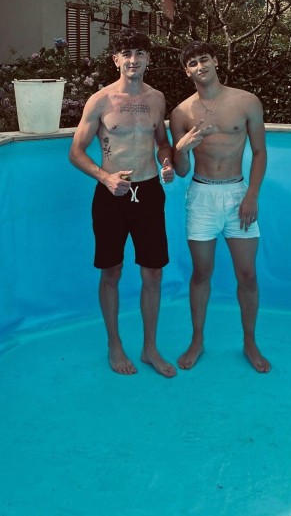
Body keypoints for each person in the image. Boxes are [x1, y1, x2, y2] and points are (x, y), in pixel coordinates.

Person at [69, 29, 176, 378]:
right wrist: (105, 177)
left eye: (140, 53)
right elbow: (76, 152)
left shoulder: (157, 99)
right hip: (111, 195)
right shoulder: (100, 100)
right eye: (126, 53)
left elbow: (162, 142)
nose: (133, 59)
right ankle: (114, 344)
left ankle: (150, 348)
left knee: (153, 272)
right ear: (116, 60)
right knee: (111, 271)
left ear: (148, 59)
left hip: (148, 192)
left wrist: (166, 161)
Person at [170, 40, 270, 373]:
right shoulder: (181, 113)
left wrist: (251, 195)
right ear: (187, 72)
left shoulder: (246, 101)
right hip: (201, 196)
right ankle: (197, 340)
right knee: (201, 273)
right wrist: (182, 148)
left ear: (215, 61)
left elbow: (260, 152)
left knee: (248, 274)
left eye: (204, 59)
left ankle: (250, 342)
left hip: (237, 193)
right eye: (192, 63)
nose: (200, 67)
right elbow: (181, 171)